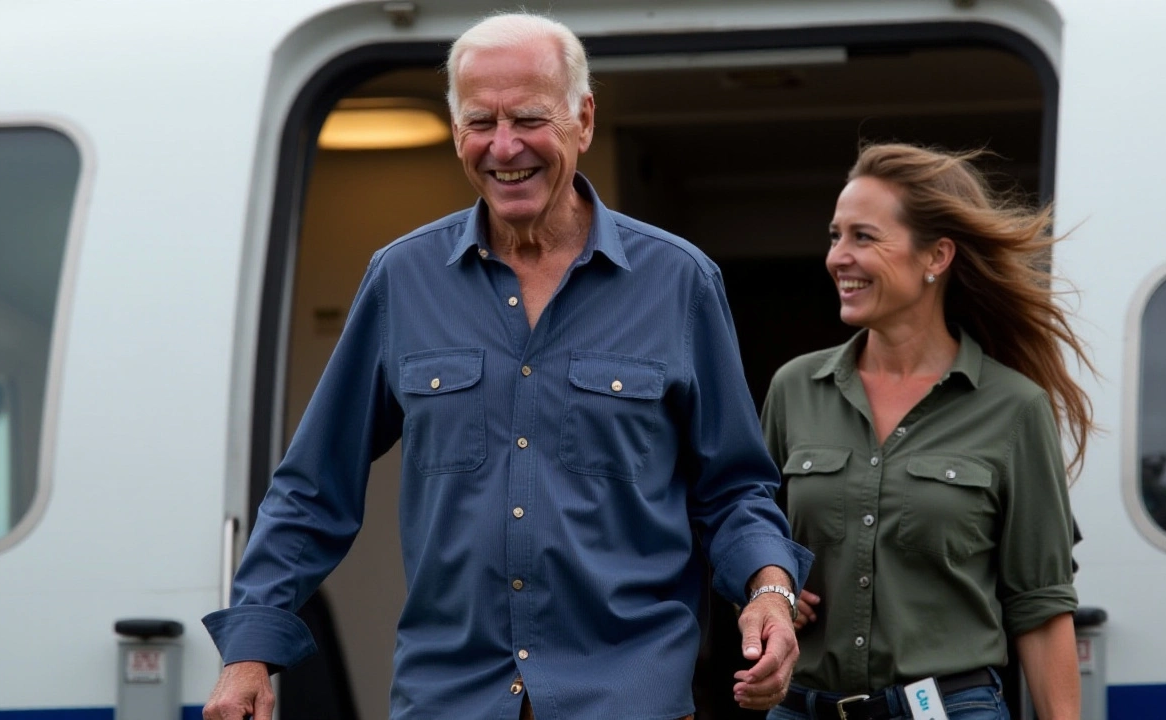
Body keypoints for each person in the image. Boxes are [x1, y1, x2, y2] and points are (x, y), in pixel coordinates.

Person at [201, 12, 813, 720]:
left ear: (583, 121)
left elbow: (734, 489)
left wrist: (769, 591)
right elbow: (313, 488)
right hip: (449, 699)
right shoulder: (402, 279)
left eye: (528, 118)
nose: (504, 147)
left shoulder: (678, 282)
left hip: (627, 699)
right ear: (456, 130)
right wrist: (250, 651)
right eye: (479, 122)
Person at [761, 143, 1091, 720]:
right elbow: (744, 528)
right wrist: (767, 587)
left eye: (864, 237)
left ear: (935, 256)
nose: (838, 256)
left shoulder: (1014, 409)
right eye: (836, 235)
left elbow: (1040, 606)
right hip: (803, 707)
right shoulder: (793, 389)